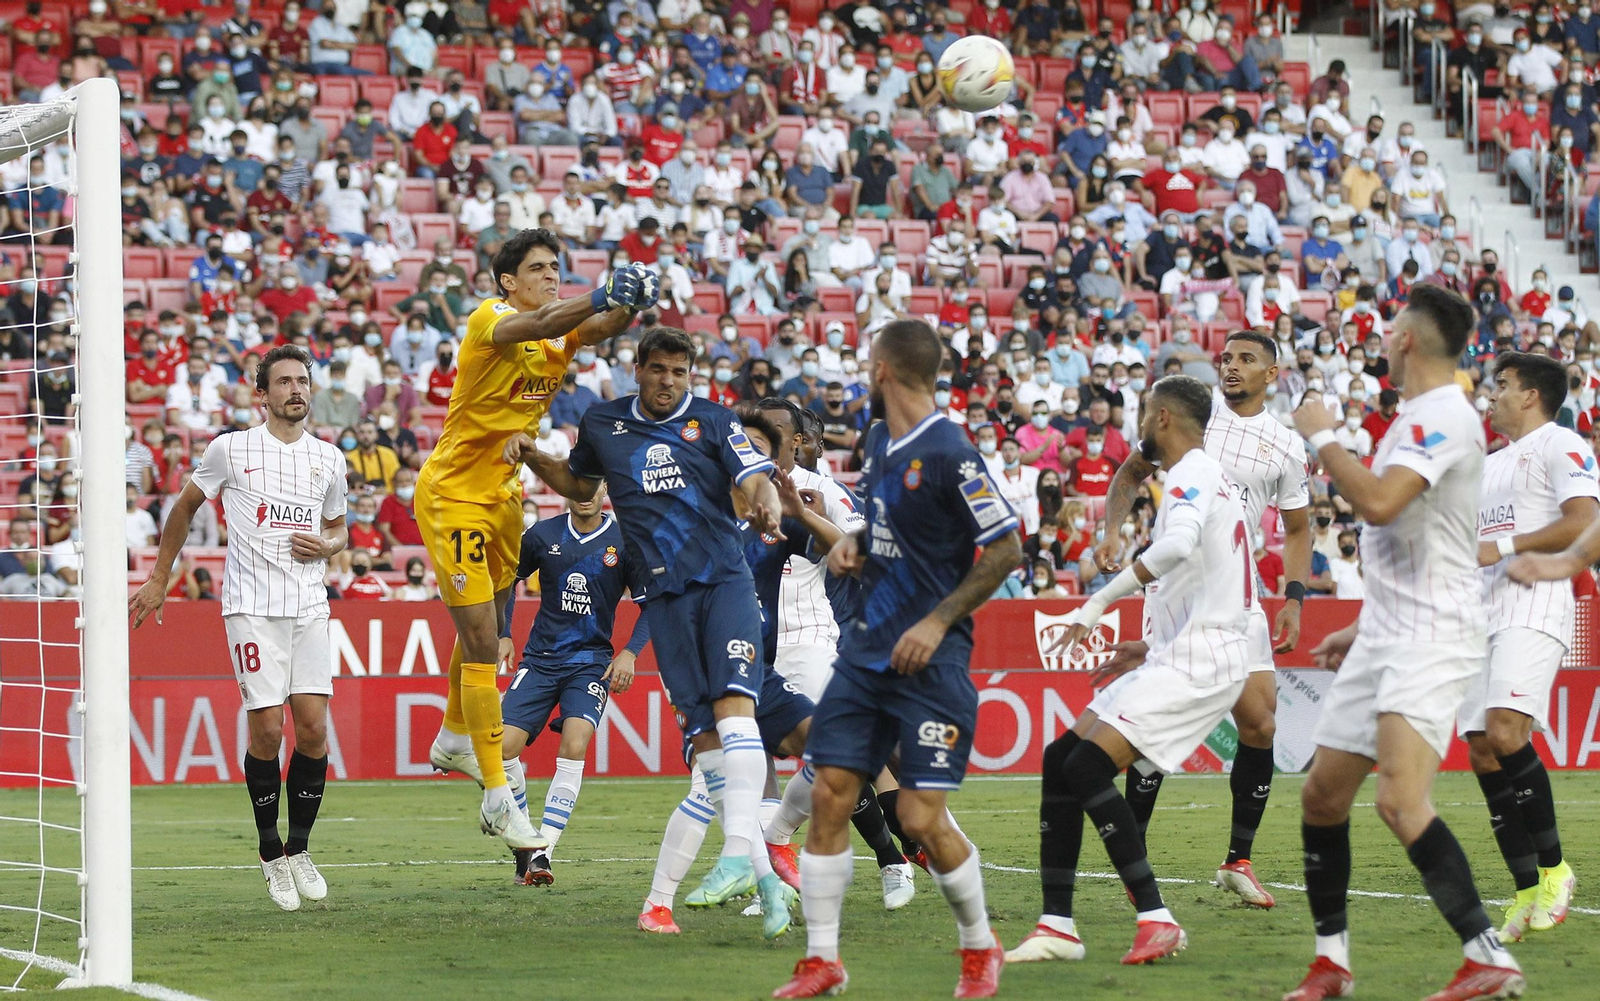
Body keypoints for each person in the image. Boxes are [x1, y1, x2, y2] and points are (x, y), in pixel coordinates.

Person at [1284, 284, 1525, 1001]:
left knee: (1399, 799)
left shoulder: (1445, 414)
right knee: (1323, 795)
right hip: (1389, 629)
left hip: (1433, 634)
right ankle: (1332, 963)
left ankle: (1487, 955)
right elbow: (1414, 540)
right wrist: (1361, 626)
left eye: (1390, 329)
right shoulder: (1416, 417)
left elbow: (1380, 503)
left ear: (1406, 340)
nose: (1384, 340)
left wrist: (1322, 434)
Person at [511, 327, 793, 935]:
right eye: (659, 369)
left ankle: (736, 855)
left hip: (721, 581)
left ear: (691, 375)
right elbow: (580, 485)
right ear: (637, 368)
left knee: (735, 710)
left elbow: (753, 477)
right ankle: (756, 872)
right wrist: (534, 457)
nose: (668, 381)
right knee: (704, 737)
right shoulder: (603, 423)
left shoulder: (713, 421)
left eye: (679, 371)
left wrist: (766, 501)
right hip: (663, 598)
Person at [772, 319, 1021, 1000]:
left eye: (866, 363)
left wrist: (938, 621)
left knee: (918, 818)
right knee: (831, 793)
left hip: (930, 660)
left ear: (882, 369)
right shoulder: (880, 441)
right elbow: (886, 530)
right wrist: (854, 544)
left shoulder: (950, 451)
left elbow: (1006, 548)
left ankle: (980, 946)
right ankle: (822, 960)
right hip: (864, 656)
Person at [416, 228, 657, 853]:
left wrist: (632, 302)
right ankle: (500, 797)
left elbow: (596, 327)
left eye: (557, 267)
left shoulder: (558, 332)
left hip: (503, 496)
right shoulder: (490, 319)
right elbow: (555, 316)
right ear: (508, 281)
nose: (552, 275)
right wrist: (603, 290)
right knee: (481, 641)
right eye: (539, 267)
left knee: (480, 627)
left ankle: (452, 737)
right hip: (454, 495)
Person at [1012, 373, 1253, 967]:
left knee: (1086, 765)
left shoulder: (1192, 471)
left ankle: (1156, 918)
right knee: (1060, 759)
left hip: (1204, 658)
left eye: (1146, 413)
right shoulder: (1206, 475)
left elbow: (1176, 547)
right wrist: (1149, 646)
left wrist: (1096, 604)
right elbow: (1208, 577)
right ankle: (1056, 926)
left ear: (1162, 418)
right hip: (1187, 649)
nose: (1140, 424)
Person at [128, 345, 348, 912]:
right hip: (251, 607)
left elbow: (339, 528)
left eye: (303, 381)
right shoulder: (231, 449)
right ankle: (270, 850)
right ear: (263, 393)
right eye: (285, 382)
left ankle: (299, 849)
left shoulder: (329, 458)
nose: (296, 390)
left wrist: (328, 546)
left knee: (314, 729)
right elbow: (184, 508)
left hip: (309, 607)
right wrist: (160, 577)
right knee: (269, 730)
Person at [1464, 353, 1595, 939]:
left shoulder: (1561, 444)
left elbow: (1585, 519)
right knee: (1480, 748)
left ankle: (1556, 870)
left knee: (1505, 731)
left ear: (1531, 395)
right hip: (1481, 610)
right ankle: (1524, 892)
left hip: (1535, 601)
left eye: (1502, 385)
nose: (1491, 395)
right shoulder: (1489, 464)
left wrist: (1507, 547)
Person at [496, 487, 652, 887]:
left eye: (594, 484)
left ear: (606, 487)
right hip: (540, 661)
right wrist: (503, 633)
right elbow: (507, 580)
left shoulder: (625, 541)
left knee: (575, 741)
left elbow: (652, 604)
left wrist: (630, 653)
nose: (585, 493)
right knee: (501, 749)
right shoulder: (542, 534)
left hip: (591, 664)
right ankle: (525, 840)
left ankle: (543, 851)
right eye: (577, 485)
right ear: (564, 489)